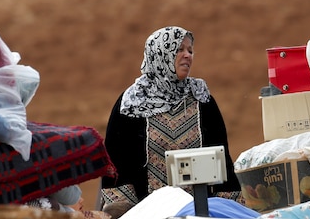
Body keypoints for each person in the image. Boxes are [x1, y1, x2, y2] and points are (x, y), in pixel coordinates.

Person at [99, 26, 243, 209]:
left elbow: (222, 163)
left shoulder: (201, 98)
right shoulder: (132, 104)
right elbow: (115, 167)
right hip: (145, 216)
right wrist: (129, 218)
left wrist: (228, 211)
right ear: (159, 54)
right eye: (179, 49)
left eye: (190, 50)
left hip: (200, 212)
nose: (188, 55)